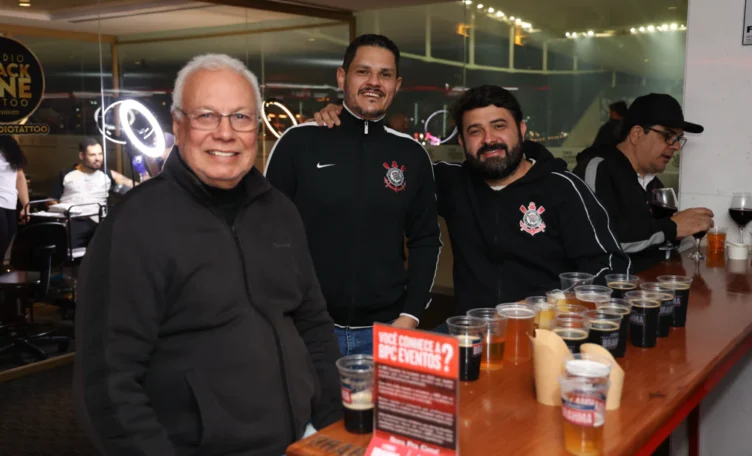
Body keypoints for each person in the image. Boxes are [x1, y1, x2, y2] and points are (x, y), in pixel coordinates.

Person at [73, 54, 342, 456]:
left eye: (240, 117)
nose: (225, 133)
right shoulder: (136, 224)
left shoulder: (280, 212)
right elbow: (107, 384)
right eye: (206, 116)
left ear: (257, 129)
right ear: (178, 124)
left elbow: (313, 326)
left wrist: (332, 429)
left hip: (301, 442)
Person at [313, 85, 629, 316]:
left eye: (499, 126)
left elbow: (612, 270)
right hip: (471, 334)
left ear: (521, 130)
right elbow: (383, 168)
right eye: (475, 131)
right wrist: (347, 123)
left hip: (546, 334)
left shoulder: (563, 189)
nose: (489, 139)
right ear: (463, 142)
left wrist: (542, 306)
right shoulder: (452, 183)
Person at [265, 34, 441, 355]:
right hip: (308, 329)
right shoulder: (298, 143)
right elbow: (266, 234)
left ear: (396, 85)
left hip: (386, 330)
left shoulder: (412, 155)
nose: (374, 82)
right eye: (363, 71)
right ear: (342, 78)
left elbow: (425, 239)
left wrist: (411, 315)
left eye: (385, 74)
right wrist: (281, 313)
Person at [574, 93, 713, 271]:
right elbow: (597, 238)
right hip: (603, 286)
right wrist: (671, 227)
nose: (676, 146)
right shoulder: (598, 169)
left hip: (647, 283)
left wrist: (679, 231)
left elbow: (653, 238)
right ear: (637, 134)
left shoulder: (655, 185)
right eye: (668, 135)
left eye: (678, 138)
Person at [49, 137, 133, 248]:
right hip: (73, 222)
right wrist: (63, 214)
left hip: (99, 222)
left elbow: (132, 183)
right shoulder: (66, 174)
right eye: (92, 155)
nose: (98, 158)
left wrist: (145, 174)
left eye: (100, 154)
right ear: (81, 156)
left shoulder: (106, 174)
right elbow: (51, 200)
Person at [0, 135, 29, 322]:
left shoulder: (9, 145)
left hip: (10, 204)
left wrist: (26, 205)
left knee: (0, 256)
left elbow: (19, 176)